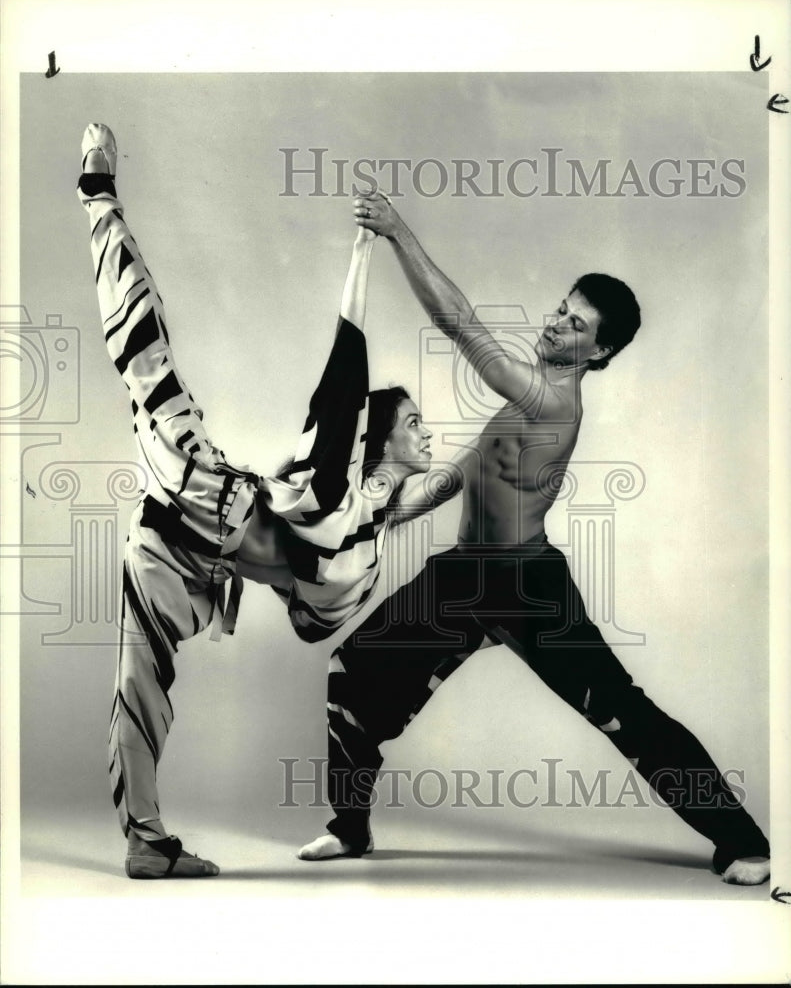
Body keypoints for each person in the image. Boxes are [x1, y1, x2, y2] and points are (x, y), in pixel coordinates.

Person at [297, 190, 771, 887]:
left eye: (573, 324)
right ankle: (349, 826)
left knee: (622, 715)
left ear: (598, 351)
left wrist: (398, 232)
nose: (554, 324)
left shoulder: (552, 401)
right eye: (559, 308)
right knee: (352, 676)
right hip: (464, 576)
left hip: (525, 585)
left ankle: (739, 839)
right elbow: (470, 470)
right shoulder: (525, 395)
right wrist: (394, 512)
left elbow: (460, 327)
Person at [77, 126, 461, 878]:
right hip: (201, 491)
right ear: (377, 439)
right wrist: (363, 252)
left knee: (139, 686)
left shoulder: (372, 512)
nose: (428, 433)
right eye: (414, 423)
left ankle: (145, 842)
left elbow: (450, 479)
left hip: (181, 557)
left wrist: (524, 424)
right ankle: (99, 198)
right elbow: (343, 372)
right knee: (143, 350)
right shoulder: (333, 481)